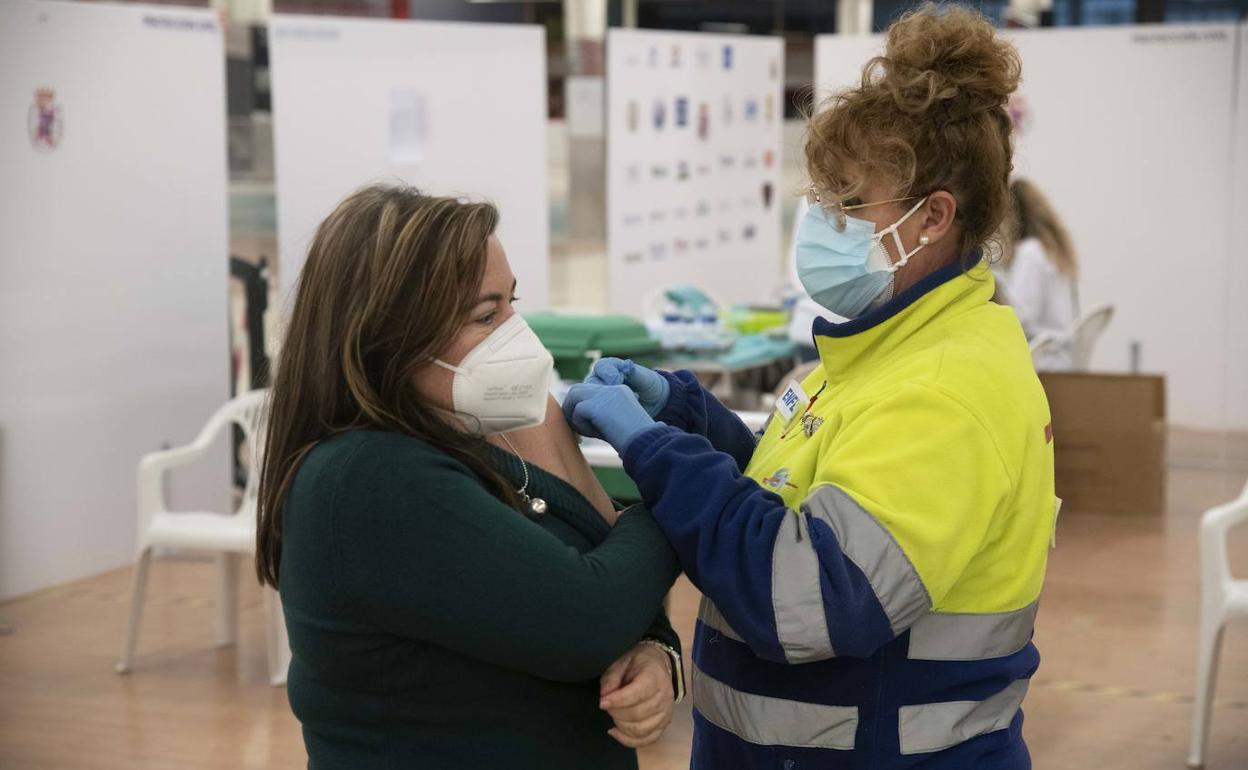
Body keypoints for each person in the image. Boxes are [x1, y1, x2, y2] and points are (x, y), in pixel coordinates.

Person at [563, 6, 1056, 768]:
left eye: (851, 204)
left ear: (934, 218)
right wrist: (692, 420)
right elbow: (804, 493)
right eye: (824, 197)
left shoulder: (945, 390)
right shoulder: (889, 345)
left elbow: (808, 595)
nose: (825, 222)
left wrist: (655, 449)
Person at [255, 184, 684, 770]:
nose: (517, 334)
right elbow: (588, 614)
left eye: (513, 303)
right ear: (387, 335)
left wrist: (658, 653)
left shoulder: (488, 426)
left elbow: (610, 561)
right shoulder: (367, 477)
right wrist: (682, 492)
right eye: (487, 315)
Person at [996, 177, 1080, 367]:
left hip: (1043, 359)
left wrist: (995, 285)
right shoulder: (1052, 252)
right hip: (1062, 359)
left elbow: (1021, 316)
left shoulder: (1031, 253)